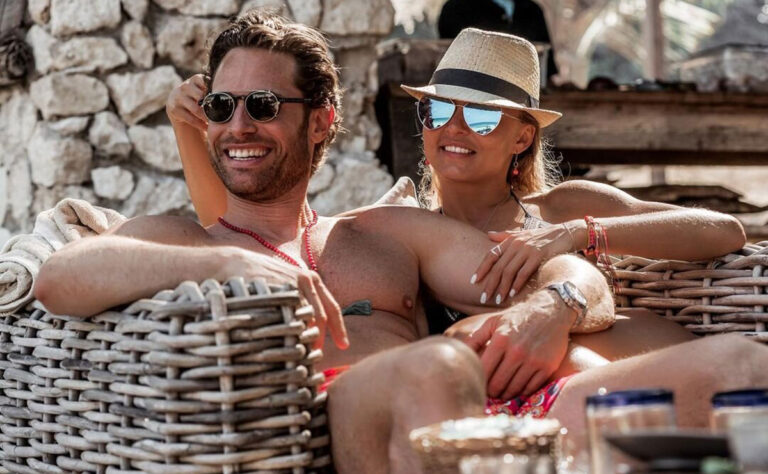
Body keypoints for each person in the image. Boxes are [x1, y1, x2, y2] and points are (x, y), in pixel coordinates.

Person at [35, 12, 767, 474]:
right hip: (356, 416)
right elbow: (57, 278)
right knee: (436, 366)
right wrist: (232, 262)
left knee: (741, 364)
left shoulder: (384, 230)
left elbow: (567, 268)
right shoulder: (184, 236)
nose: (238, 125)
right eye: (222, 107)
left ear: (323, 120)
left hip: (506, 418)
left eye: (263, 105)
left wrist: (552, 305)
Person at [166, 25, 746, 392]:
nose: (456, 129)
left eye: (484, 115)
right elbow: (239, 223)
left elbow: (724, 230)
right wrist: (191, 126)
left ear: (523, 136)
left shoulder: (561, 206)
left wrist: (576, 235)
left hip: (608, 363)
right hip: (502, 394)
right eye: (439, 112)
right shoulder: (407, 226)